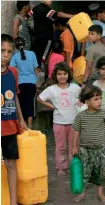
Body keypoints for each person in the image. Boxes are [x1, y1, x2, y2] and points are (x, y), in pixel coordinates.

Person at [37, 62, 81, 176]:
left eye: (64, 73)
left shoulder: (75, 88)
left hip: (74, 123)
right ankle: (61, 167)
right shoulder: (52, 89)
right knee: (60, 146)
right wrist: (51, 106)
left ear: (69, 74)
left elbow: (83, 98)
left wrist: (81, 102)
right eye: (59, 74)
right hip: (59, 123)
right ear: (55, 76)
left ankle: (74, 165)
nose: (62, 76)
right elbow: (39, 98)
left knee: (74, 145)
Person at [72, 86, 105, 202]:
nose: (99, 101)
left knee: (101, 172)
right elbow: (76, 131)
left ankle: (100, 194)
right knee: (85, 172)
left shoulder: (104, 114)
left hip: (100, 149)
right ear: (87, 102)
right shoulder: (81, 116)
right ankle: (82, 193)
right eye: (96, 99)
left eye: (100, 98)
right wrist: (74, 146)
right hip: (84, 149)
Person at [1, 34, 27, 205]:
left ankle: (12, 202)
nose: (5, 55)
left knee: (11, 163)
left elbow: (15, 97)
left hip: (10, 126)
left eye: (9, 52)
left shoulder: (14, 73)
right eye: (2, 50)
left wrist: (22, 119)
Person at [28, 0, 73, 66]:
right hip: (47, 38)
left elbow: (28, 15)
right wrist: (71, 16)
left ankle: (38, 67)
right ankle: (42, 67)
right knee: (45, 55)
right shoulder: (47, 10)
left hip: (37, 37)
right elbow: (58, 14)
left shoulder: (35, 8)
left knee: (38, 54)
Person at [9, 37, 39, 129]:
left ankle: (23, 125)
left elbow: (12, 70)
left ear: (16, 47)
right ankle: (30, 126)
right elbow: (36, 70)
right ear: (25, 44)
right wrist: (38, 83)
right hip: (32, 82)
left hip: (20, 83)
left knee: (21, 104)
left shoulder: (14, 56)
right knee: (30, 103)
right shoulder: (32, 54)